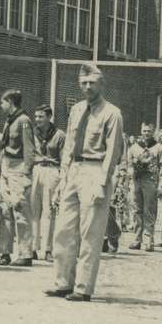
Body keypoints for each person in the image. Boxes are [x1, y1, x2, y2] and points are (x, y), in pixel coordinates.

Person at [45, 63, 123, 303]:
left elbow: (112, 151)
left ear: (101, 84)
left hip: (95, 169)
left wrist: (102, 182)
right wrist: (63, 178)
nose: (88, 87)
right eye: (84, 83)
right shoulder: (77, 110)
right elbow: (69, 145)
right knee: (64, 230)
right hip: (74, 171)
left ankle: (83, 287)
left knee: (90, 233)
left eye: (92, 83)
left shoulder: (112, 113)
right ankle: (62, 282)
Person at [0, 89, 36, 266]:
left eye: (3, 102)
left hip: (19, 167)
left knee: (20, 210)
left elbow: (29, 149)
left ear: (10, 101)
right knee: (4, 209)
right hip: (6, 166)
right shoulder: (9, 121)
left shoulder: (23, 121)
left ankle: (26, 253)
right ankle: (5, 252)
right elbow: (4, 147)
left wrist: (27, 174)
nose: (1, 105)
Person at [30, 104, 65, 262]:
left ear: (49, 117)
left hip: (52, 172)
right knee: (33, 210)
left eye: (41, 117)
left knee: (49, 211)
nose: (37, 119)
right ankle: (33, 248)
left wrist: (63, 179)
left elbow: (64, 159)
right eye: (36, 116)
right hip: (36, 170)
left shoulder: (59, 135)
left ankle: (48, 249)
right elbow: (28, 153)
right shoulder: (32, 132)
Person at [128, 123, 162, 252]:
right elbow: (129, 163)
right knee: (136, 209)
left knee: (149, 210)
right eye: (144, 131)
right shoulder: (134, 147)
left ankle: (149, 240)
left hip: (150, 181)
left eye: (149, 131)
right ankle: (137, 239)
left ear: (153, 131)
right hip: (137, 180)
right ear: (141, 131)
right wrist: (131, 171)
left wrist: (161, 185)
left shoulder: (158, 148)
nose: (146, 133)